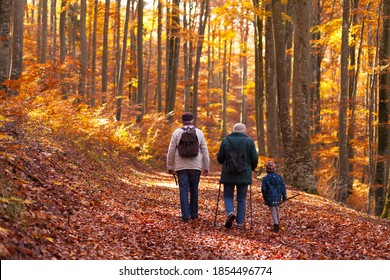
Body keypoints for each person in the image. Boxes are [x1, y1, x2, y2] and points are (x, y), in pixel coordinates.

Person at [167, 113, 210, 222]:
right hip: (195, 166)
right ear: (192, 120)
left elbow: (171, 150)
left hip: (181, 166)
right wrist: (206, 167)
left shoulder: (177, 132)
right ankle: (194, 214)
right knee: (194, 189)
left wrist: (170, 166)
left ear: (182, 121)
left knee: (183, 190)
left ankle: (185, 215)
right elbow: (204, 150)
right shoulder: (199, 133)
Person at [217, 123, 258, 229]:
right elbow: (254, 158)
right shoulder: (249, 141)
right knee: (242, 198)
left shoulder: (226, 140)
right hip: (244, 173)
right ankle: (240, 223)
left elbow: (220, 158)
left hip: (228, 173)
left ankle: (230, 212)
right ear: (244, 130)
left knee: (228, 195)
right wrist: (251, 168)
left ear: (233, 130)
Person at [261, 161, 287, 233]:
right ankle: (278, 222)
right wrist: (284, 196)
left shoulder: (265, 178)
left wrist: (265, 197)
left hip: (269, 196)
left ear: (266, 169)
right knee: (277, 209)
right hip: (278, 196)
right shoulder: (279, 177)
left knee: (273, 210)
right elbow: (283, 187)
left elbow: (264, 189)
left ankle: (276, 224)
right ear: (275, 169)